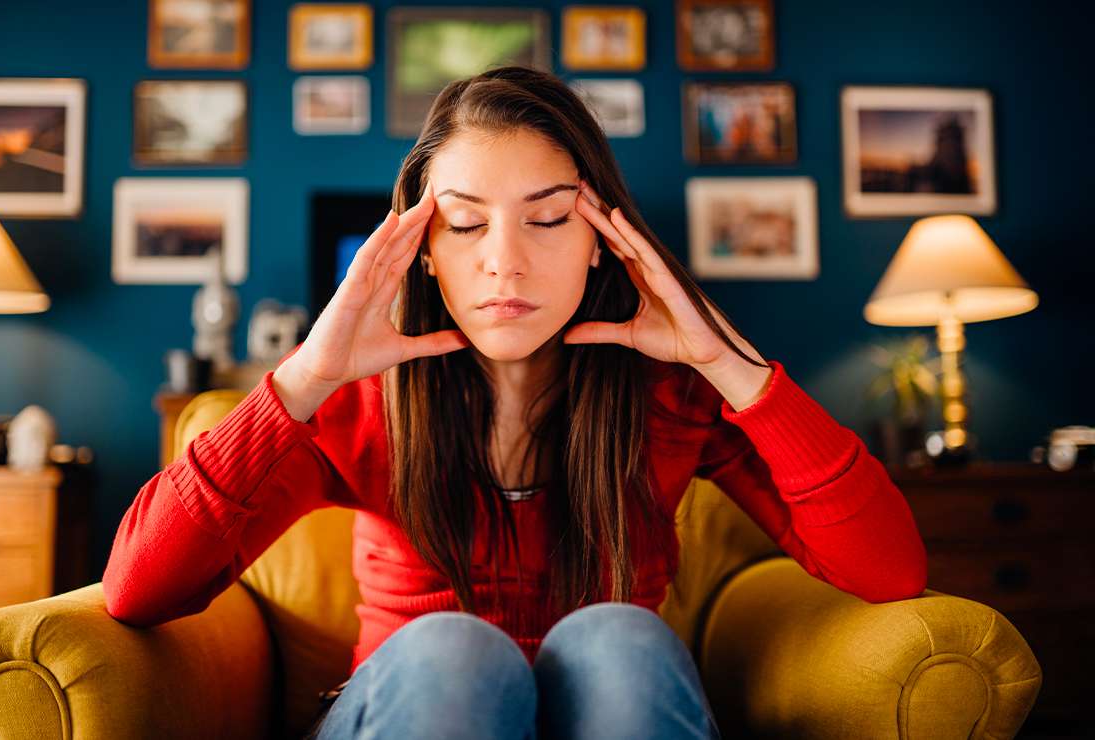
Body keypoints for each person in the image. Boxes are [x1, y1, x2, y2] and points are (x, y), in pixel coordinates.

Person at [102, 65, 928, 740]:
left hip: (617, 710)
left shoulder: (674, 398)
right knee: (456, 652)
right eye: (464, 225)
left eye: (548, 218)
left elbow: (889, 571)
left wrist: (730, 362)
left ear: (603, 238)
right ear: (421, 251)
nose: (506, 262)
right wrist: (306, 376)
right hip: (410, 712)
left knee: (618, 639)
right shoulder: (354, 405)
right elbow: (138, 590)